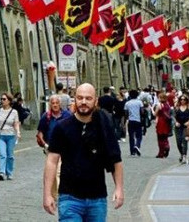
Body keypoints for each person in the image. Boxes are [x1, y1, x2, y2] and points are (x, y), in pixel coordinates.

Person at [43, 83, 123, 221]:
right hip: (69, 197)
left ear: (95, 101)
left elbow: (115, 159)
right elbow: (51, 161)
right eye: (80, 98)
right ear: (74, 99)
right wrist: (47, 194)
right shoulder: (62, 127)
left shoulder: (104, 126)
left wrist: (119, 188)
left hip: (97, 198)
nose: (83, 102)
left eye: (88, 98)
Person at [0, 92, 21, 180]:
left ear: (9, 101)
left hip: (11, 136)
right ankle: (1, 172)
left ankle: (9, 172)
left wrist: (18, 132)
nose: (2, 101)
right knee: (2, 154)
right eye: (1, 99)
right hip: (0, 135)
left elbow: (16, 123)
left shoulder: (14, 112)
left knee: (10, 156)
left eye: (4, 99)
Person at [123, 90, 144, 157]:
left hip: (131, 121)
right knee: (139, 136)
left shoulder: (127, 103)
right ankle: (137, 146)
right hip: (138, 120)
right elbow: (142, 112)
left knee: (131, 137)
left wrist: (125, 121)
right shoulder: (139, 102)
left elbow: (126, 113)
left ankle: (132, 152)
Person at [173, 95, 189, 163]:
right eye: (181, 99)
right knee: (178, 142)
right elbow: (173, 117)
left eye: (184, 99)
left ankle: (184, 156)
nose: (182, 101)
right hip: (178, 127)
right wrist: (176, 122)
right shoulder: (177, 108)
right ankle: (181, 153)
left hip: (185, 127)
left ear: (186, 100)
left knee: (184, 140)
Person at [154, 92, 172, 158]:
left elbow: (155, 114)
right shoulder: (167, 105)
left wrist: (152, 110)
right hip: (166, 122)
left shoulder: (159, 105)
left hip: (160, 122)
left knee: (160, 138)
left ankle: (161, 153)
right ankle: (167, 145)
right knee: (165, 137)